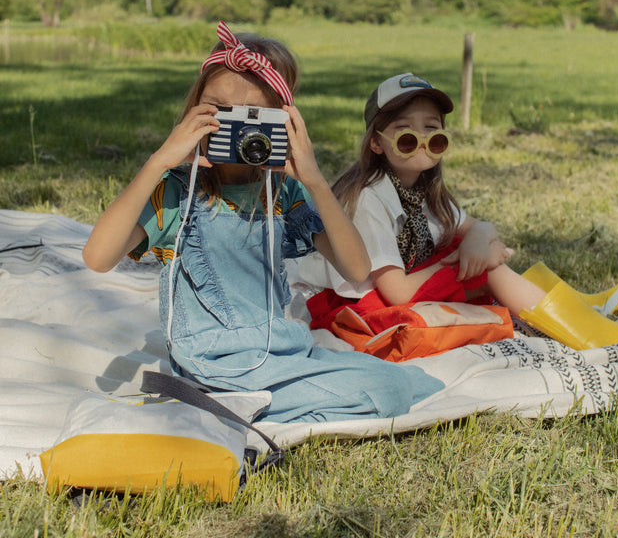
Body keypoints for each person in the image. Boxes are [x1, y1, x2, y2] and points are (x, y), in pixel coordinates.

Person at [82, 25, 444, 423]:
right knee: (390, 390)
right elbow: (98, 257)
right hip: (214, 362)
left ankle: (262, 404)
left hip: (278, 350)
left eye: (251, 117)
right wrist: (159, 162)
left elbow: (357, 269)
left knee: (401, 379)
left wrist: (314, 179)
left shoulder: (281, 191)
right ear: (193, 111)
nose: (233, 129)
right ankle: (242, 406)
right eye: (218, 111)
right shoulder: (177, 194)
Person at [299, 72, 618, 351]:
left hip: (395, 290)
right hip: (362, 307)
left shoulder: (422, 189)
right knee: (484, 269)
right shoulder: (370, 199)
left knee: (483, 258)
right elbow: (396, 292)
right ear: (376, 143)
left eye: (432, 128)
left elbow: (481, 226)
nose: (421, 137)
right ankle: (590, 334)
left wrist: (475, 241)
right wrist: (468, 256)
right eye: (405, 132)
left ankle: (580, 311)